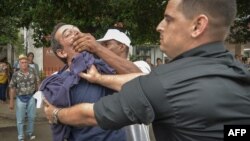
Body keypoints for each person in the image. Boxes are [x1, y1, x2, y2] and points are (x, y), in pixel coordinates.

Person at [44, 0, 250, 141]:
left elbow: (92, 115)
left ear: (198, 25)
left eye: (168, 19)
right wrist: (99, 79)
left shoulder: (164, 84)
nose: (159, 26)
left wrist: (55, 114)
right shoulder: (241, 73)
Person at [40, 23, 126, 141]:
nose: (75, 32)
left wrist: (98, 48)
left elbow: (139, 81)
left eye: (77, 30)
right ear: (62, 53)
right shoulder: (57, 85)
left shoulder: (106, 67)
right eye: (68, 34)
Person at [96, 28, 152, 141]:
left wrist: (98, 78)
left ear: (121, 47)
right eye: (101, 45)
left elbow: (138, 81)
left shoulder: (141, 65)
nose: (102, 49)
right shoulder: (99, 70)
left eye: (106, 44)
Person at [9, 54, 40, 141]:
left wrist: (38, 94)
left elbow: (37, 82)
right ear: (19, 64)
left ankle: (30, 133)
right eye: (22, 62)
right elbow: (12, 87)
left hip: (31, 97)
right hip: (20, 98)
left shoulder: (33, 71)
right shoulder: (16, 74)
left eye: (25, 62)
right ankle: (21, 137)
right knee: (20, 119)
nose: (24, 64)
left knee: (31, 117)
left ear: (28, 63)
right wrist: (11, 101)